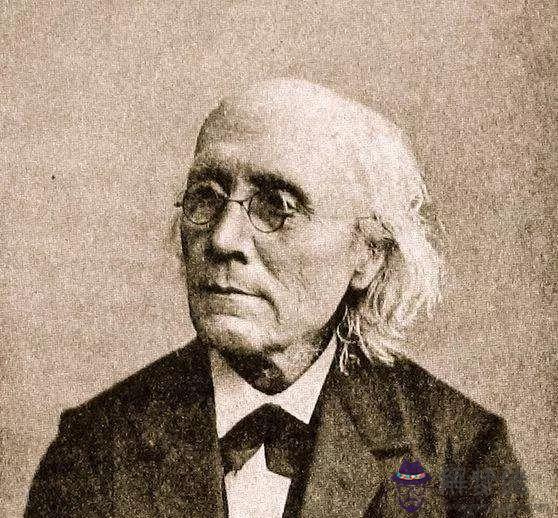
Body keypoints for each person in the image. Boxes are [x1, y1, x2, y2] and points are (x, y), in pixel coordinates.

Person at [25, 79, 531, 517]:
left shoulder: (463, 457)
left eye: (276, 206)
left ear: (368, 253)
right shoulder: (94, 451)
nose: (223, 238)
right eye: (206, 197)